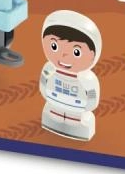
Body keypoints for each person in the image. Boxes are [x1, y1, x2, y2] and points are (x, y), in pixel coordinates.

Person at [40, 10, 101, 141]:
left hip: (77, 113)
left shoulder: (87, 79)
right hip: (53, 106)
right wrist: (46, 94)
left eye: (76, 52)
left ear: (93, 54)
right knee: (54, 114)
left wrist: (87, 107)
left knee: (74, 120)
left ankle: (76, 126)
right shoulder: (49, 69)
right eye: (54, 46)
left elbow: (92, 98)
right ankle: (54, 120)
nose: (64, 56)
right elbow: (43, 83)